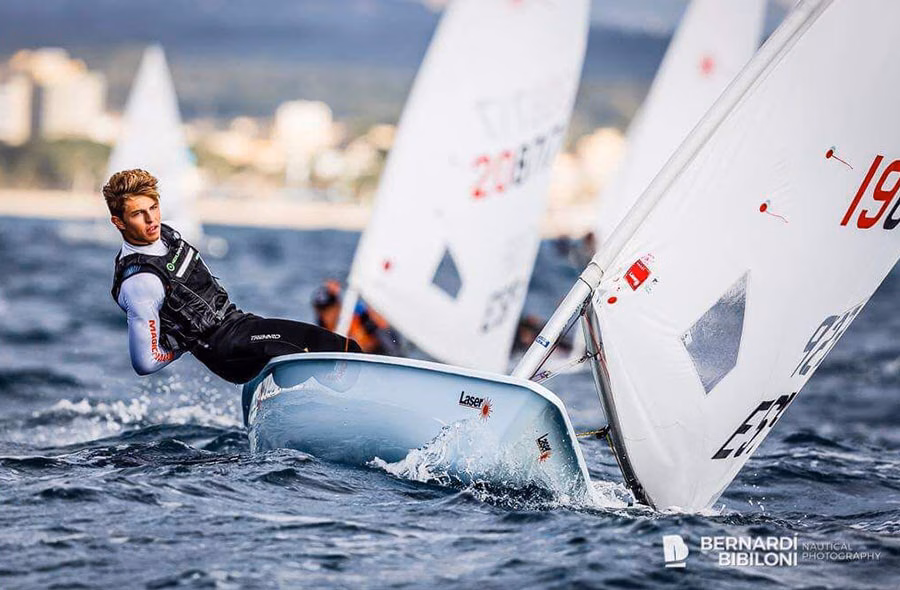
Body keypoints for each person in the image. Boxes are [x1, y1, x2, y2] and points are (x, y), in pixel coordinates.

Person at [105, 168, 360, 384]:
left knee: (296, 353)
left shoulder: (165, 235)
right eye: (138, 214)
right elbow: (144, 362)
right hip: (226, 347)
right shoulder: (140, 282)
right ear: (118, 222)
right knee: (325, 344)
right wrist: (182, 344)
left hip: (238, 324)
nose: (151, 219)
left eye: (154, 207)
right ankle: (363, 388)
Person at [311, 279, 401, 356]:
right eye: (321, 310)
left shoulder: (359, 315)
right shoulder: (321, 327)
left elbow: (380, 342)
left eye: (329, 309)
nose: (326, 315)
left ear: (338, 305)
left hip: (377, 355)